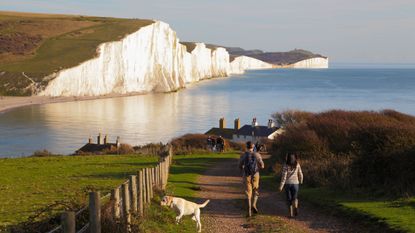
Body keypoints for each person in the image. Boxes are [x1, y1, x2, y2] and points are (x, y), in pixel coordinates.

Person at [238, 141, 264, 217]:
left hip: (246, 175)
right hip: (255, 174)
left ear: (246, 147)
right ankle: (254, 204)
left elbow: (239, 165)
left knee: (248, 192)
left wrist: (242, 168)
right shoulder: (257, 154)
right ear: (253, 147)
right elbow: (262, 166)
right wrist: (258, 167)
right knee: (256, 189)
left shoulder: (243, 155)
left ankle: (249, 209)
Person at [278, 154, 303, 218]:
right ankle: (296, 207)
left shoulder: (285, 165)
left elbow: (284, 177)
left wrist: (281, 186)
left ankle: (290, 214)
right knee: (295, 198)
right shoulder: (297, 164)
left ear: (288, 158)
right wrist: (301, 180)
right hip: (295, 183)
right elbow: (300, 173)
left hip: (287, 184)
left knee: (289, 199)